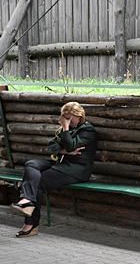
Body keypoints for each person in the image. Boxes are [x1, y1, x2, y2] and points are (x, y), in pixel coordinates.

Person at [10, 101, 97, 238]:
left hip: (75, 169)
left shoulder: (88, 131)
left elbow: (70, 145)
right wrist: (64, 151)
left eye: (69, 117)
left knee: (37, 182)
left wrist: (66, 129)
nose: (66, 120)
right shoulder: (65, 129)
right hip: (60, 162)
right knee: (31, 164)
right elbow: (51, 146)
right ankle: (27, 200)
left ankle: (31, 223)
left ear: (79, 116)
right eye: (65, 117)